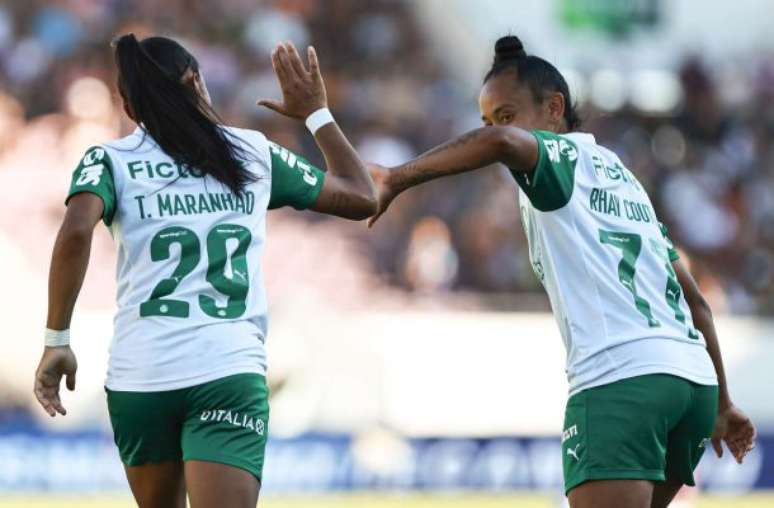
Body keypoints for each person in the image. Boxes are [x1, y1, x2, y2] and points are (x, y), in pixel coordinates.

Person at [368, 35, 756, 508]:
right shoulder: (624, 179)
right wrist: (722, 403)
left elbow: (498, 143)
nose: (496, 132)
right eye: (487, 120)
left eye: (506, 116)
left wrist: (396, 178)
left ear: (554, 109)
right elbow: (696, 302)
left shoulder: (558, 162)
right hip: (692, 384)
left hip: (622, 378)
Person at [33, 34, 375, 508]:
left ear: (129, 107)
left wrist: (57, 340)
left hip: (141, 377)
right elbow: (362, 196)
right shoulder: (251, 153)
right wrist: (316, 113)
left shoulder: (109, 161)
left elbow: (75, 232)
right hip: (225, 369)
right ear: (196, 80)